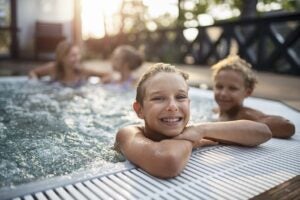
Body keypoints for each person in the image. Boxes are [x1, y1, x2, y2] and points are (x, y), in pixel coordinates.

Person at [114, 63, 272, 179]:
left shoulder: (193, 130)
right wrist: (190, 141)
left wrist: (202, 130)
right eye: (158, 98)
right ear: (139, 110)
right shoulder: (128, 134)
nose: (172, 106)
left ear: (189, 103)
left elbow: (263, 133)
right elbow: (167, 161)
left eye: (181, 97)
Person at [211, 55, 295, 138]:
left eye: (232, 88)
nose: (223, 93)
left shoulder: (245, 116)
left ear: (248, 92)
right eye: (219, 87)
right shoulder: (216, 111)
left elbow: (287, 126)